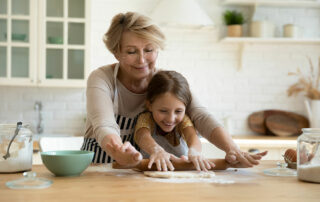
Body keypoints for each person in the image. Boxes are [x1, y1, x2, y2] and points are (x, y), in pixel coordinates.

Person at [81, 11, 267, 167]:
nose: (142, 59)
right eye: (131, 51)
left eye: (149, 50)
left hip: (136, 169)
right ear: (116, 52)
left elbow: (200, 116)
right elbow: (104, 125)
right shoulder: (102, 78)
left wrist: (232, 149)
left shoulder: (164, 82)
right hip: (98, 167)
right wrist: (119, 150)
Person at [134, 70, 215, 171]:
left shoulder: (183, 120)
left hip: (181, 177)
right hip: (149, 177)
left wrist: (195, 152)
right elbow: (142, 136)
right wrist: (157, 150)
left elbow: (192, 137)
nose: (171, 119)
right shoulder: (146, 118)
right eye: (163, 111)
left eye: (178, 111)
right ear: (149, 105)